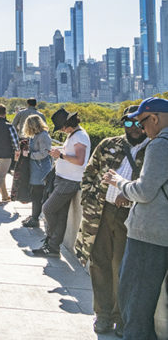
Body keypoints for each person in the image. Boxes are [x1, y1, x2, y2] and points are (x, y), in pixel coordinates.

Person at [75, 105, 148, 336]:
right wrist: (88, 198)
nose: (134, 127)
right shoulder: (108, 144)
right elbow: (89, 172)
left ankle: (120, 317)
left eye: (138, 122)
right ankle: (103, 315)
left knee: (122, 268)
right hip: (101, 213)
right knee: (100, 264)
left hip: (131, 218)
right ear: (123, 123)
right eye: (128, 122)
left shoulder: (153, 150)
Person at [103, 97, 168, 340]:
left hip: (149, 235)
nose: (141, 130)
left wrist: (119, 182)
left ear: (155, 118)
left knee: (135, 303)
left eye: (142, 122)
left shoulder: (160, 144)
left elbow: (143, 191)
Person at [31, 109, 91, 258]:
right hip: (63, 178)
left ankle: (51, 239)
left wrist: (61, 155)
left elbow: (80, 160)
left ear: (68, 124)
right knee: (61, 215)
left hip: (69, 181)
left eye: (62, 128)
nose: (62, 131)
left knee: (48, 209)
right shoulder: (74, 135)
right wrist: (59, 151)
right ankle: (53, 247)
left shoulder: (80, 137)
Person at [21, 115, 53, 228]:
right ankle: (34, 216)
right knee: (35, 195)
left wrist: (30, 155)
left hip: (41, 171)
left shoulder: (43, 136)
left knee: (37, 195)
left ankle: (35, 219)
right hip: (36, 169)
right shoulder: (36, 135)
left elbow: (44, 153)